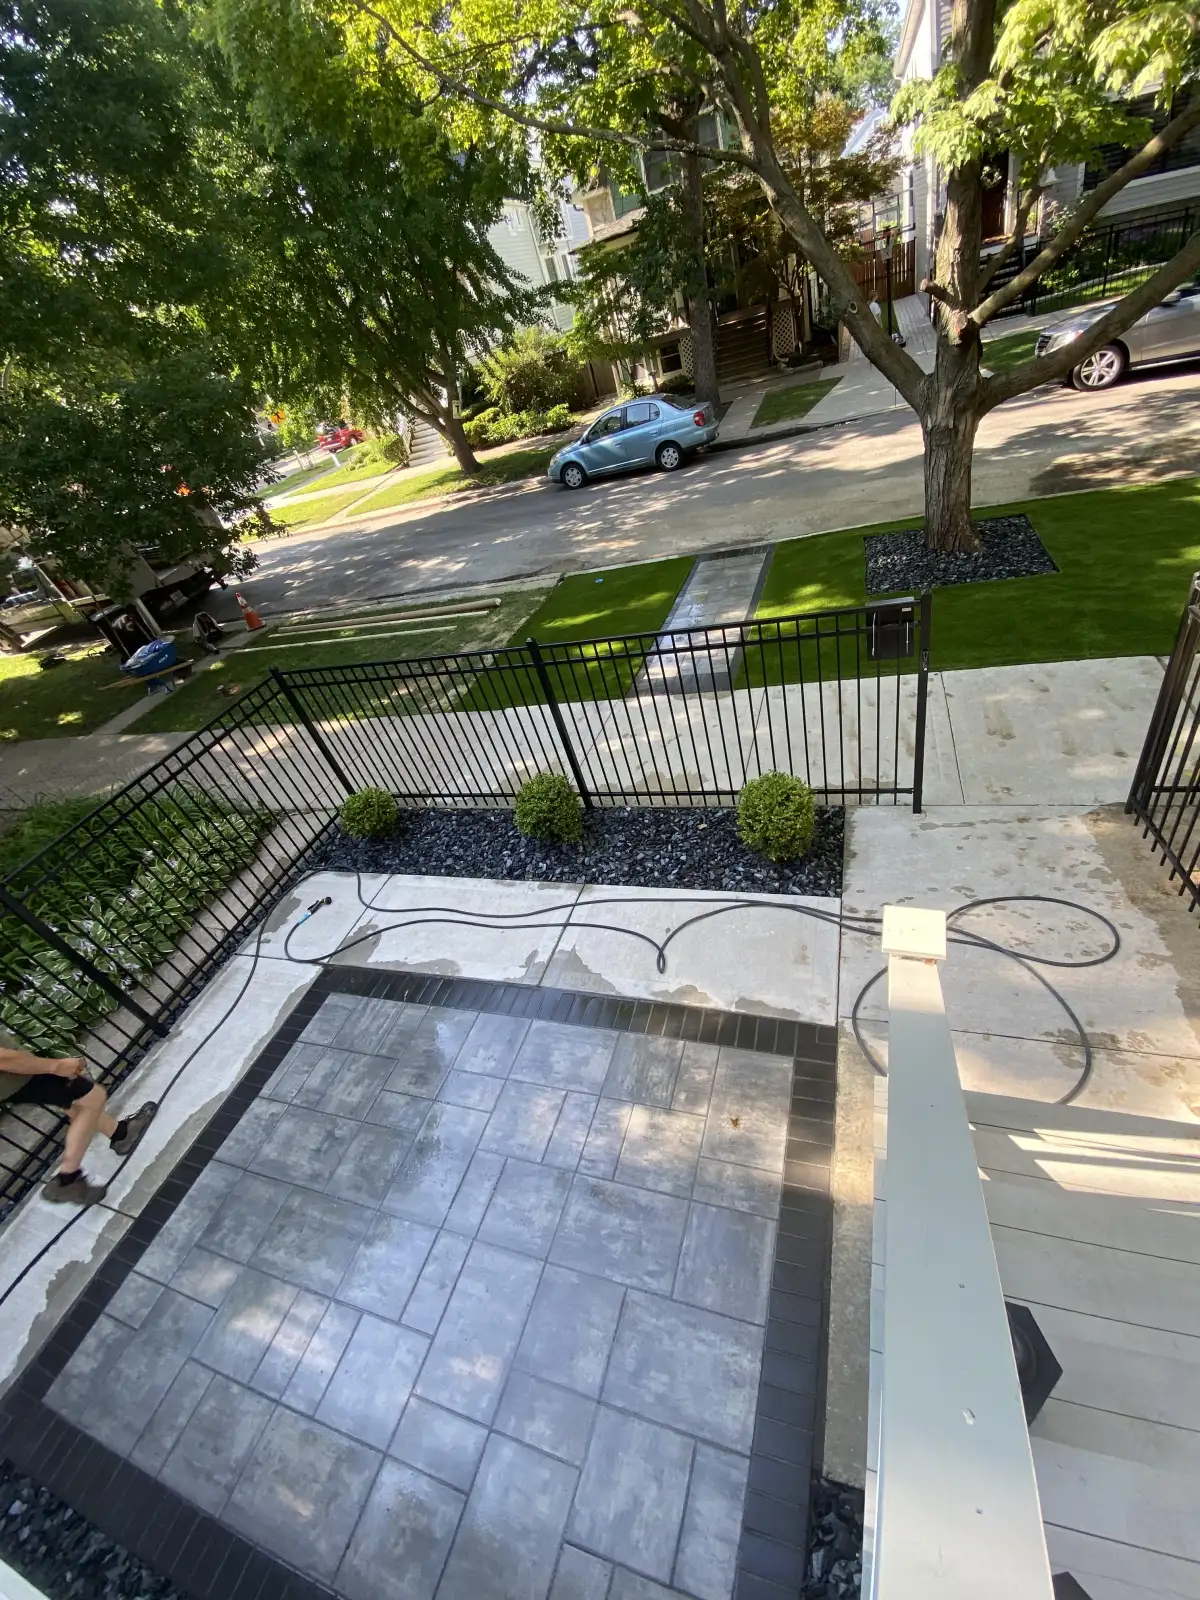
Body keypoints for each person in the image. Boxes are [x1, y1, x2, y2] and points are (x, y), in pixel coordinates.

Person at [0, 1029, 157, 1204]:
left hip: (14, 1078)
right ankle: (67, 1179)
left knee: (77, 1103)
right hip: (18, 1074)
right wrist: (56, 1066)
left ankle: (122, 1134)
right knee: (94, 1097)